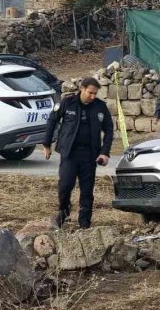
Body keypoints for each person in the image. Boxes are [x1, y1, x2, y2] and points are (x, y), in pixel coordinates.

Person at [42, 76, 113, 230]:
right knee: (65, 185)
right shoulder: (68, 102)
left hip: (90, 155)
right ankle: (64, 210)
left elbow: (109, 130)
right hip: (69, 153)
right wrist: (46, 144)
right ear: (82, 89)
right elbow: (52, 120)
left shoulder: (100, 107)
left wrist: (105, 152)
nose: (93, 96)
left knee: (87, 190)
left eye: (95, 94)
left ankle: (85, 223)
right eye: (90, 93)